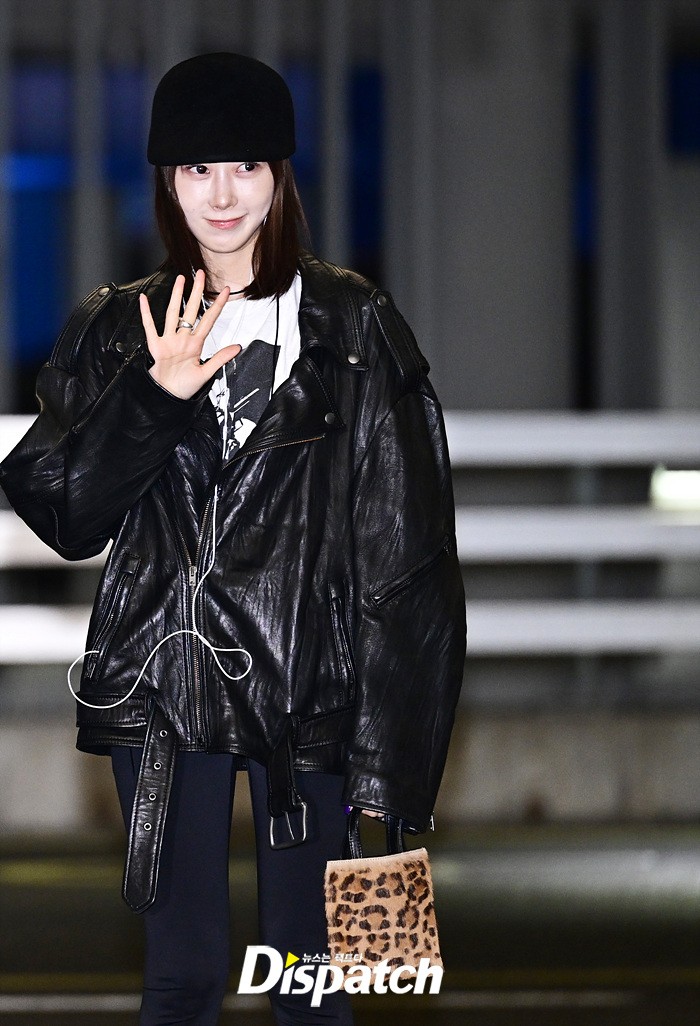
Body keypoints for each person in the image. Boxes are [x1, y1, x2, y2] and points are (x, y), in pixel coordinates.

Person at [0, 52, 466, 1025]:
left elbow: (409, 553)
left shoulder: (354, 322)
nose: (222, 194)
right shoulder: (117, 327)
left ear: (280, 175)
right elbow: (63, 513)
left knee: (315, 978)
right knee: (181, 974)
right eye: (197, 168)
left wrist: (393, 758)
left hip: (314, 697)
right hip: (163, 689)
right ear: (166, 181)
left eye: (245, 166)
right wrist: (154, 398)